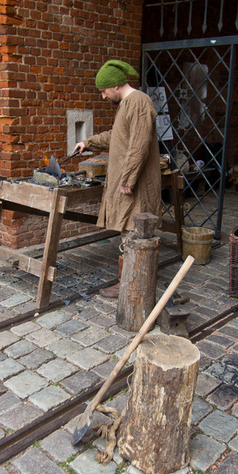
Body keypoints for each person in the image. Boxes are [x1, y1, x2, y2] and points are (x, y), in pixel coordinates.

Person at [74, 60, 162, 298]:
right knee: (128, 231)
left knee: (134, 231)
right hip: (129, 181)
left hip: (137, 185)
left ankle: (132, 286)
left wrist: (128, 179)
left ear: (115, 85)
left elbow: (140, 144)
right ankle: (128, 282)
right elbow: (118, 136)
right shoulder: (127, 104)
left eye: (104, 91)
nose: (103, 96)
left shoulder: (139, 102)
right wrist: (88, 143)